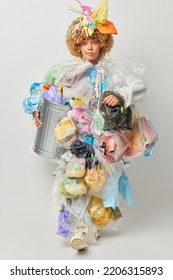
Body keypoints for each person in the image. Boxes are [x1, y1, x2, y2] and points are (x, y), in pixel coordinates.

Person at [23, 0, 157, 251]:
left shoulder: (113, 71)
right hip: (76, 135)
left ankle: (91, 226)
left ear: (102, 43)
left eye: (94, 42)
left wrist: (120, 96)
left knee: (98, 181)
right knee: (74, 180)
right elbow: (47, 91)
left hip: (104, 135)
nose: (89, 47)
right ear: (77, 45)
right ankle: (77, 230)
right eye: (84, 42)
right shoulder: (68, 70)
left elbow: (139, 88)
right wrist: (36, 108)